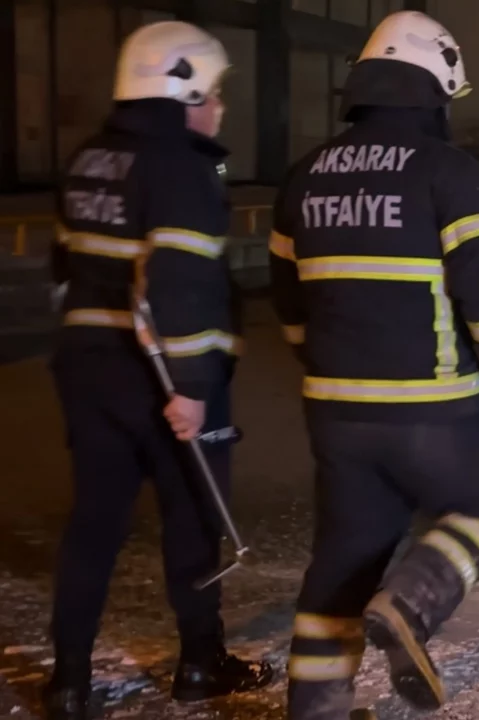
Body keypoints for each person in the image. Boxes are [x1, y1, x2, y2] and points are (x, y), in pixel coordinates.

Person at [268, 11, 479, 719]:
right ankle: (411, 605)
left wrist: (321, 361)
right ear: (433, 90)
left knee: (341, 561)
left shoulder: (304, 178)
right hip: (434, 407)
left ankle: (315, 707)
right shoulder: (448, 173)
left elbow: (287, 299)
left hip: (334, 412)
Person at [44, 20, 273, 720]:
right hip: (165, 384)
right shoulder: (180, 169)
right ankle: (200, 664)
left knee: (93, 527)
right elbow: (179, 282)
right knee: (193, 527)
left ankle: (70, 681)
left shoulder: (92, 159)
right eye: (214, 92)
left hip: (90, 371)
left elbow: (65, 270)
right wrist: (195, 392)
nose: (221, 108)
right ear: (182, 89)